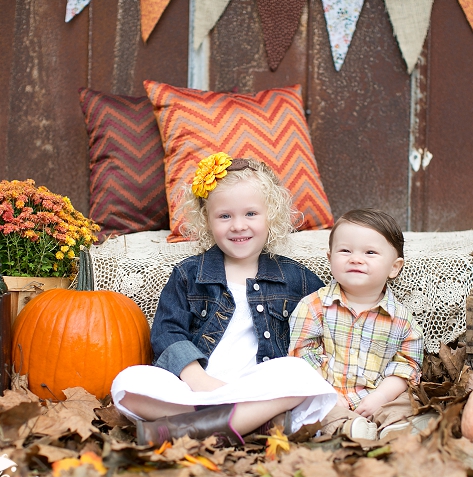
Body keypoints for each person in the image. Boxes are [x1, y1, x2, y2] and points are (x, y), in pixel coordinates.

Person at [110, 153, 336, 447]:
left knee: (298, 374)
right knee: (128, 384)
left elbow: (324, 330)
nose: (238, 226)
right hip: (198, 388)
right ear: (207, 220)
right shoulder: (189, 275)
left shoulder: (298, 279)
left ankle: (187, 428)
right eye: (225, 216)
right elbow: (168, 333)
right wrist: (197, 380)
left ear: (272, 215)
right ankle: (256, 423)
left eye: (251, 214)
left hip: (260, 388)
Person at [288, 208, 424, 440]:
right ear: (330, 259)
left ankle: (395, 426)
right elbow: (302, 354)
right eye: (345, 251)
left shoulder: (401, 320)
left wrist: (379, 397)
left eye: (370, 252)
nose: (356, 259)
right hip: (327, 392)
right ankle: (347, 428)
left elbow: (406, 367)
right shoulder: (314, 306)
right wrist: (325, 391)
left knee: (404, 401)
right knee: (308, 405)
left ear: (394, 267)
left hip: (379, 394)